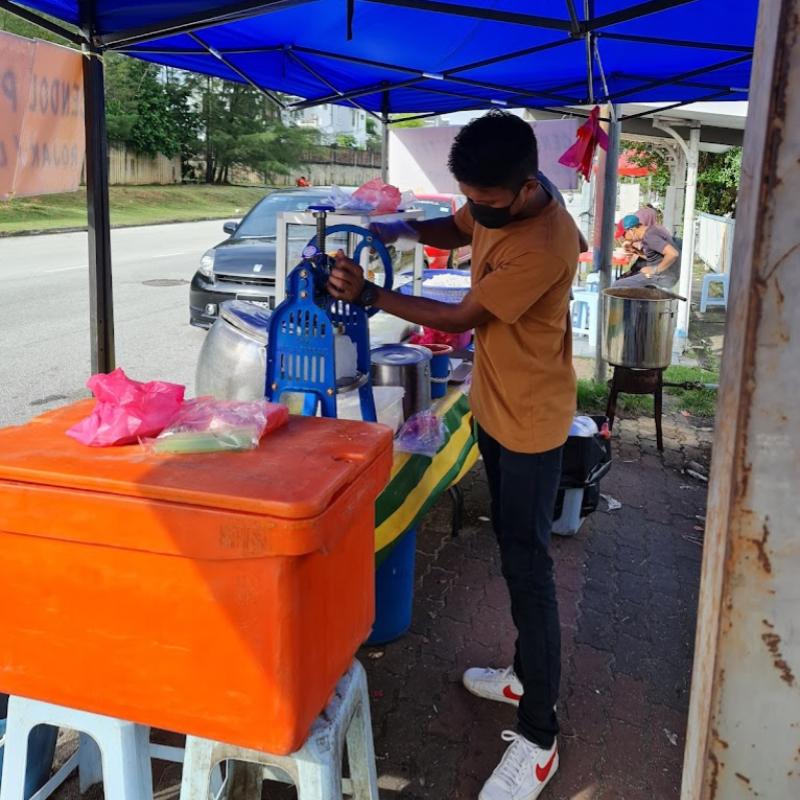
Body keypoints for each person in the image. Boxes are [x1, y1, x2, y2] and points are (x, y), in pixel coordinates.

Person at [328, 110, 580, 800]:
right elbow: (457, 227)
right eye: (469, 197)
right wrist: (400, 225)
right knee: (510, 546)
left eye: (487, 202)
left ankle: (539, 736)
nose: (476, 213)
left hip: (532, 421)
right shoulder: (497, 205)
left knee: (528, 570)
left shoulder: (547, 244)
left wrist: (374, 294)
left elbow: (462, 317)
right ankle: (526, 673)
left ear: (526, 186)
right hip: (498, 406)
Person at [613, 212, 681, 289]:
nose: (624, 238)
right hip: (665, 276)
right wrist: (635, 251)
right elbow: (654, 257)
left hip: (662, 278)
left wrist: (654, 270)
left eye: (623, 235)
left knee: (617, 285)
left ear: (631, 230)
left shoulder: (650, 237)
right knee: (628, 277)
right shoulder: (652, 231)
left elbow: (673, 254)